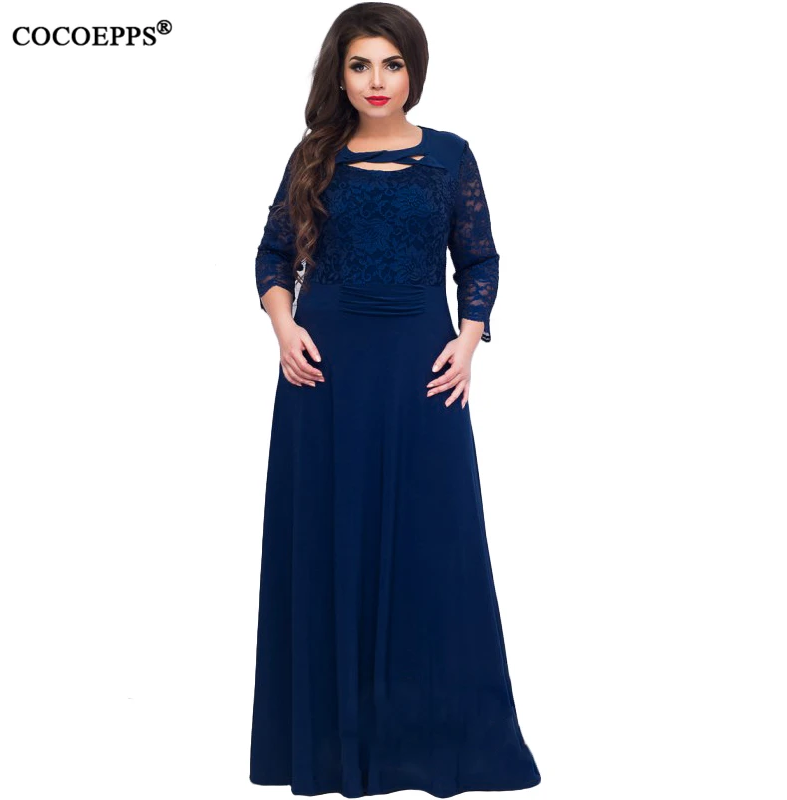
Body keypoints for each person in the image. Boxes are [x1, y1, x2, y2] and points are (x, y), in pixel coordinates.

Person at [249, 3, 542, 796]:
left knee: (434, 547)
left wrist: (469, 339)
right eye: (359, 65)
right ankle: (330, 749)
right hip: (323, 375)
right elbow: (273, 254)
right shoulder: (314, 155)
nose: (376, 81)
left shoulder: (450, 156)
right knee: (327, 540)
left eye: (391, 64)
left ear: (414, 70)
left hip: (422, 369)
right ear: (339, 75)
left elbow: (479, 259)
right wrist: (283, 327)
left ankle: (429, 744)